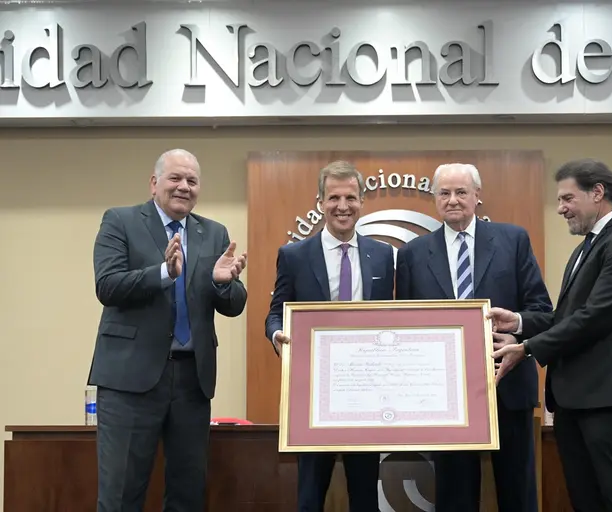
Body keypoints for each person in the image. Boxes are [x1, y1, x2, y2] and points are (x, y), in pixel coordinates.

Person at [489, 158, 612, 512]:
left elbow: (595, 317)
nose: (561, 209)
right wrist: (518, 322)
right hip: (573, 401)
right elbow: (567, 317)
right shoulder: (587, 247)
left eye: (567, 199)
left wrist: (528, 348)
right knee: (586, 500)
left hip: (605, 400)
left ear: (598, 193)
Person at [88, 148, 248, 512]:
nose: (184, 187)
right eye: (175, 178)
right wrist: (164, 273)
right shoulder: (120, 221)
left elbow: (233, 304)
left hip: (192, 381)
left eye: (192, 181)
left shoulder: (213, 232)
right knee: (121, 495)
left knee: (188, 494)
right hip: (130, 380)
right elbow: (107, 286)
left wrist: (224, 283)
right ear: (154, 182)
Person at [395, 163, 552, 512]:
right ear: (435, 199)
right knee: (454, 498)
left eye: (461, 192)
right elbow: (403, 328)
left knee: (518, 495)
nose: (453, 200)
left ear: (477, 196)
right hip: (444, 398)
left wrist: (518, 336)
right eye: (444, 193)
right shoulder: (412, 255)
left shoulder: (513, 240)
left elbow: (542, 310)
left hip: (507, 385)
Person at [265, 160, 395, 512]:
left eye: (350, 197)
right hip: (314, 394)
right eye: (334, 197)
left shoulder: (382, 256)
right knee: (311, 492)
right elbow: (276, 312)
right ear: (320, 201)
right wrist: (276, 333)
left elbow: (393, 318)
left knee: (366, 493)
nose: (342, 206)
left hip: (366, 395)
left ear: (362, 202)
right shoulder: (293, 256)